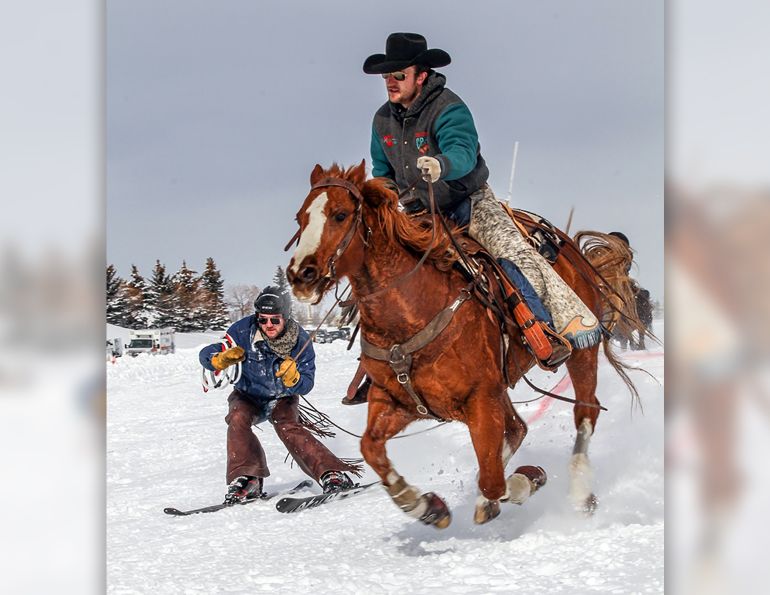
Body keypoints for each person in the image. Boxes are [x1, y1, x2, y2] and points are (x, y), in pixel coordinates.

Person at [363, 33, 602, 368]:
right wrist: (383, 193)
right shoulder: (381, 120)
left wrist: (441, 164)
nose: (390, 82)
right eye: (386, 76)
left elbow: (462, 152)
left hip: (467, 202)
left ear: (421, 75)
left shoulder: (449, 108)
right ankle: (377, 362)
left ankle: (542, 329)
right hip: (417, 212)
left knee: (511, 253)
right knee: (382, 266)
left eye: (398, 75)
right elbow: (382, 169)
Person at [199, 286, 361, 503]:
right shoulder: (241, 331)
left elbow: (307, 384)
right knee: (237, 418)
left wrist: (294, 380)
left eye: (274, 320)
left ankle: (332, 474)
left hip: (282, 397)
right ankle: (248, 479)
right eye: (262, 319)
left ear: (285, 317)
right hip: (248, 395)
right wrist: (218, 359)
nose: (268, 325)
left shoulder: (300, 340)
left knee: (286, 424)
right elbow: (207, 352)